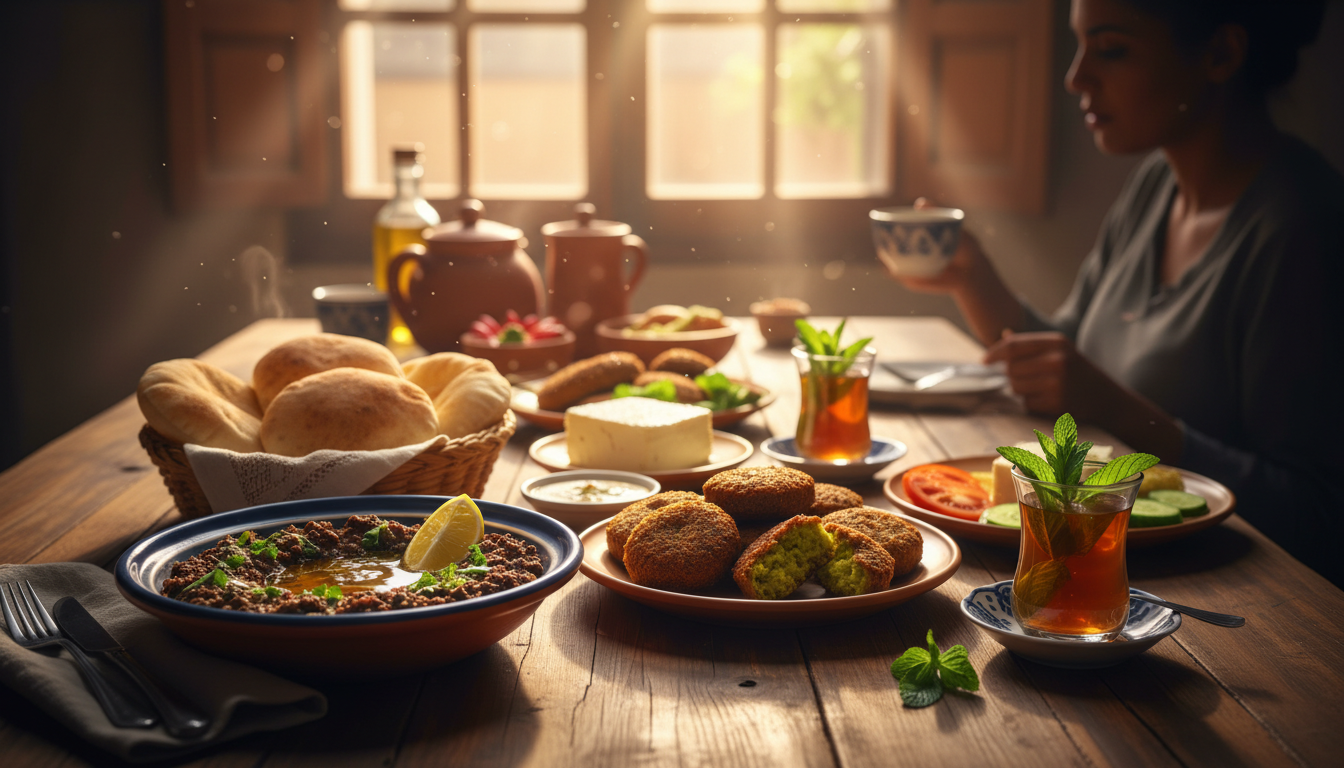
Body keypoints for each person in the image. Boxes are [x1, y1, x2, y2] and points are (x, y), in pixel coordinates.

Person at [890, 0, 1344, 586]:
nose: (1076, 76)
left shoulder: (1302, 229)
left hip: (1225, 606)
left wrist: (1116, 411)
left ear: (1220, 55)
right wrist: (973, 279)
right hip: (1096, 562)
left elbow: (1318, 515)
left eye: (1111, 50)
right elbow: (1069, 359)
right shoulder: (1156, 185)